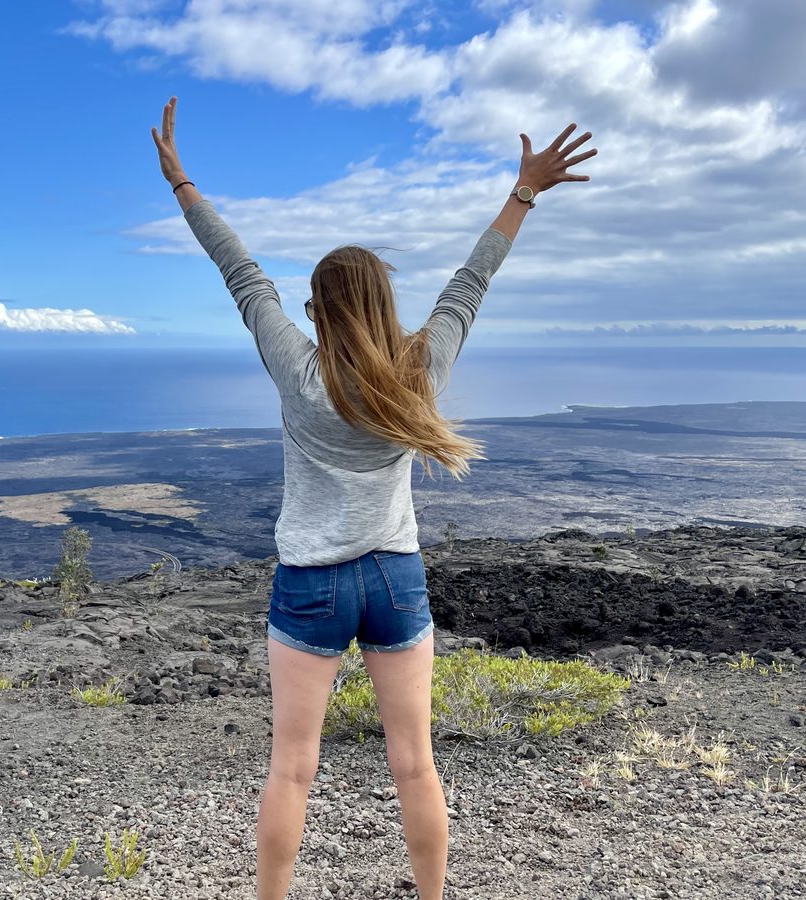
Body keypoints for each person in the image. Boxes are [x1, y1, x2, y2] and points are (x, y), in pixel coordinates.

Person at [152, 96, 596, 900]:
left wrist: (183, 184)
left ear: (318, 312)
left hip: (310, 584)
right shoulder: (419, 371)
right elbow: (472, 283)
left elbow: (240, 271)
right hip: (395, 577)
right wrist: (522, 192)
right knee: (415, 762)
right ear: (385, 309)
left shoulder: (297, 368)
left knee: (292, 768)